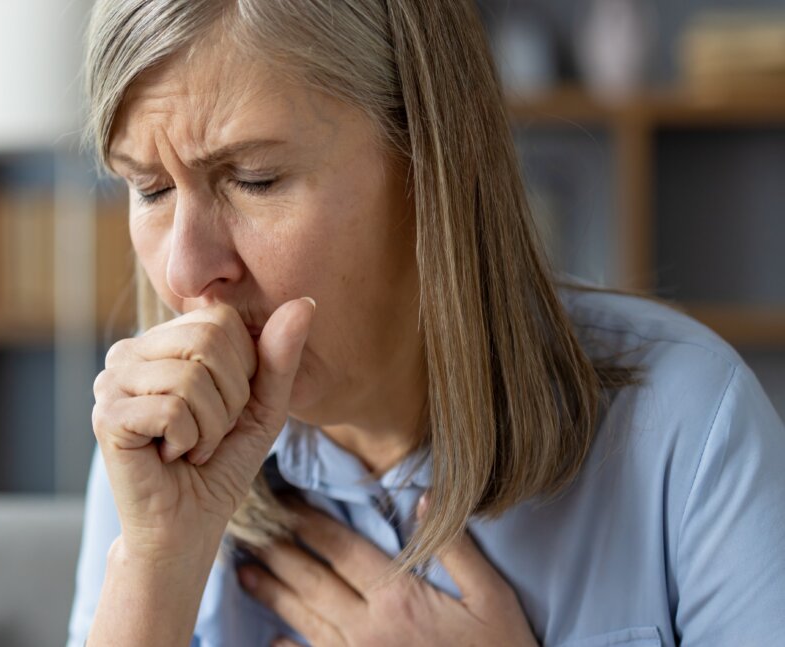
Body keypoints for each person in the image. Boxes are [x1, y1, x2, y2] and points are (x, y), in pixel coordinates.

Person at [66, 1, 785, 646]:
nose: (186, 271)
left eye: (254, 178)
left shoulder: (690, 428)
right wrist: (154, 570)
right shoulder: (152, 450)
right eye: (149, 188)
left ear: (429, 161)